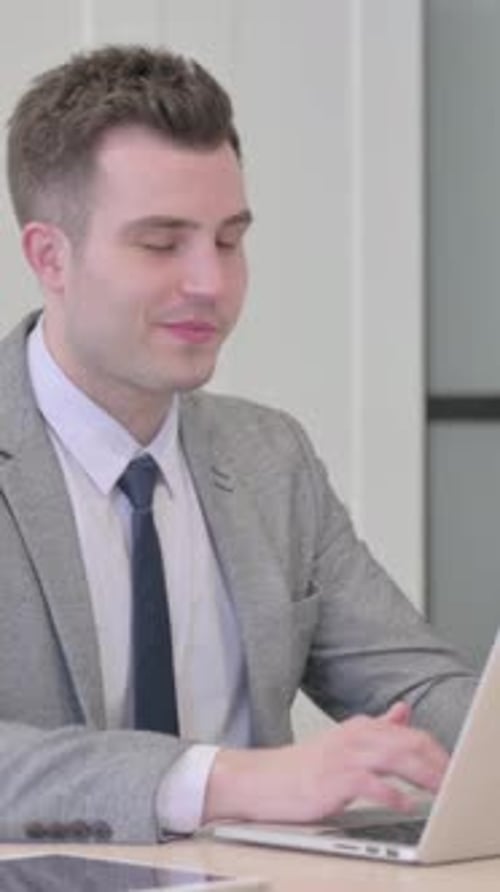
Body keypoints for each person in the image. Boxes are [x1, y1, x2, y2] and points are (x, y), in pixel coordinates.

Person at [0, 44, 476, 844]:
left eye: (228, 240)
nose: (211, 284)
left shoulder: (269, 458)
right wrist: (227, 779)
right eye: (161, 244)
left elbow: (418, 687)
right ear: (50, 256)